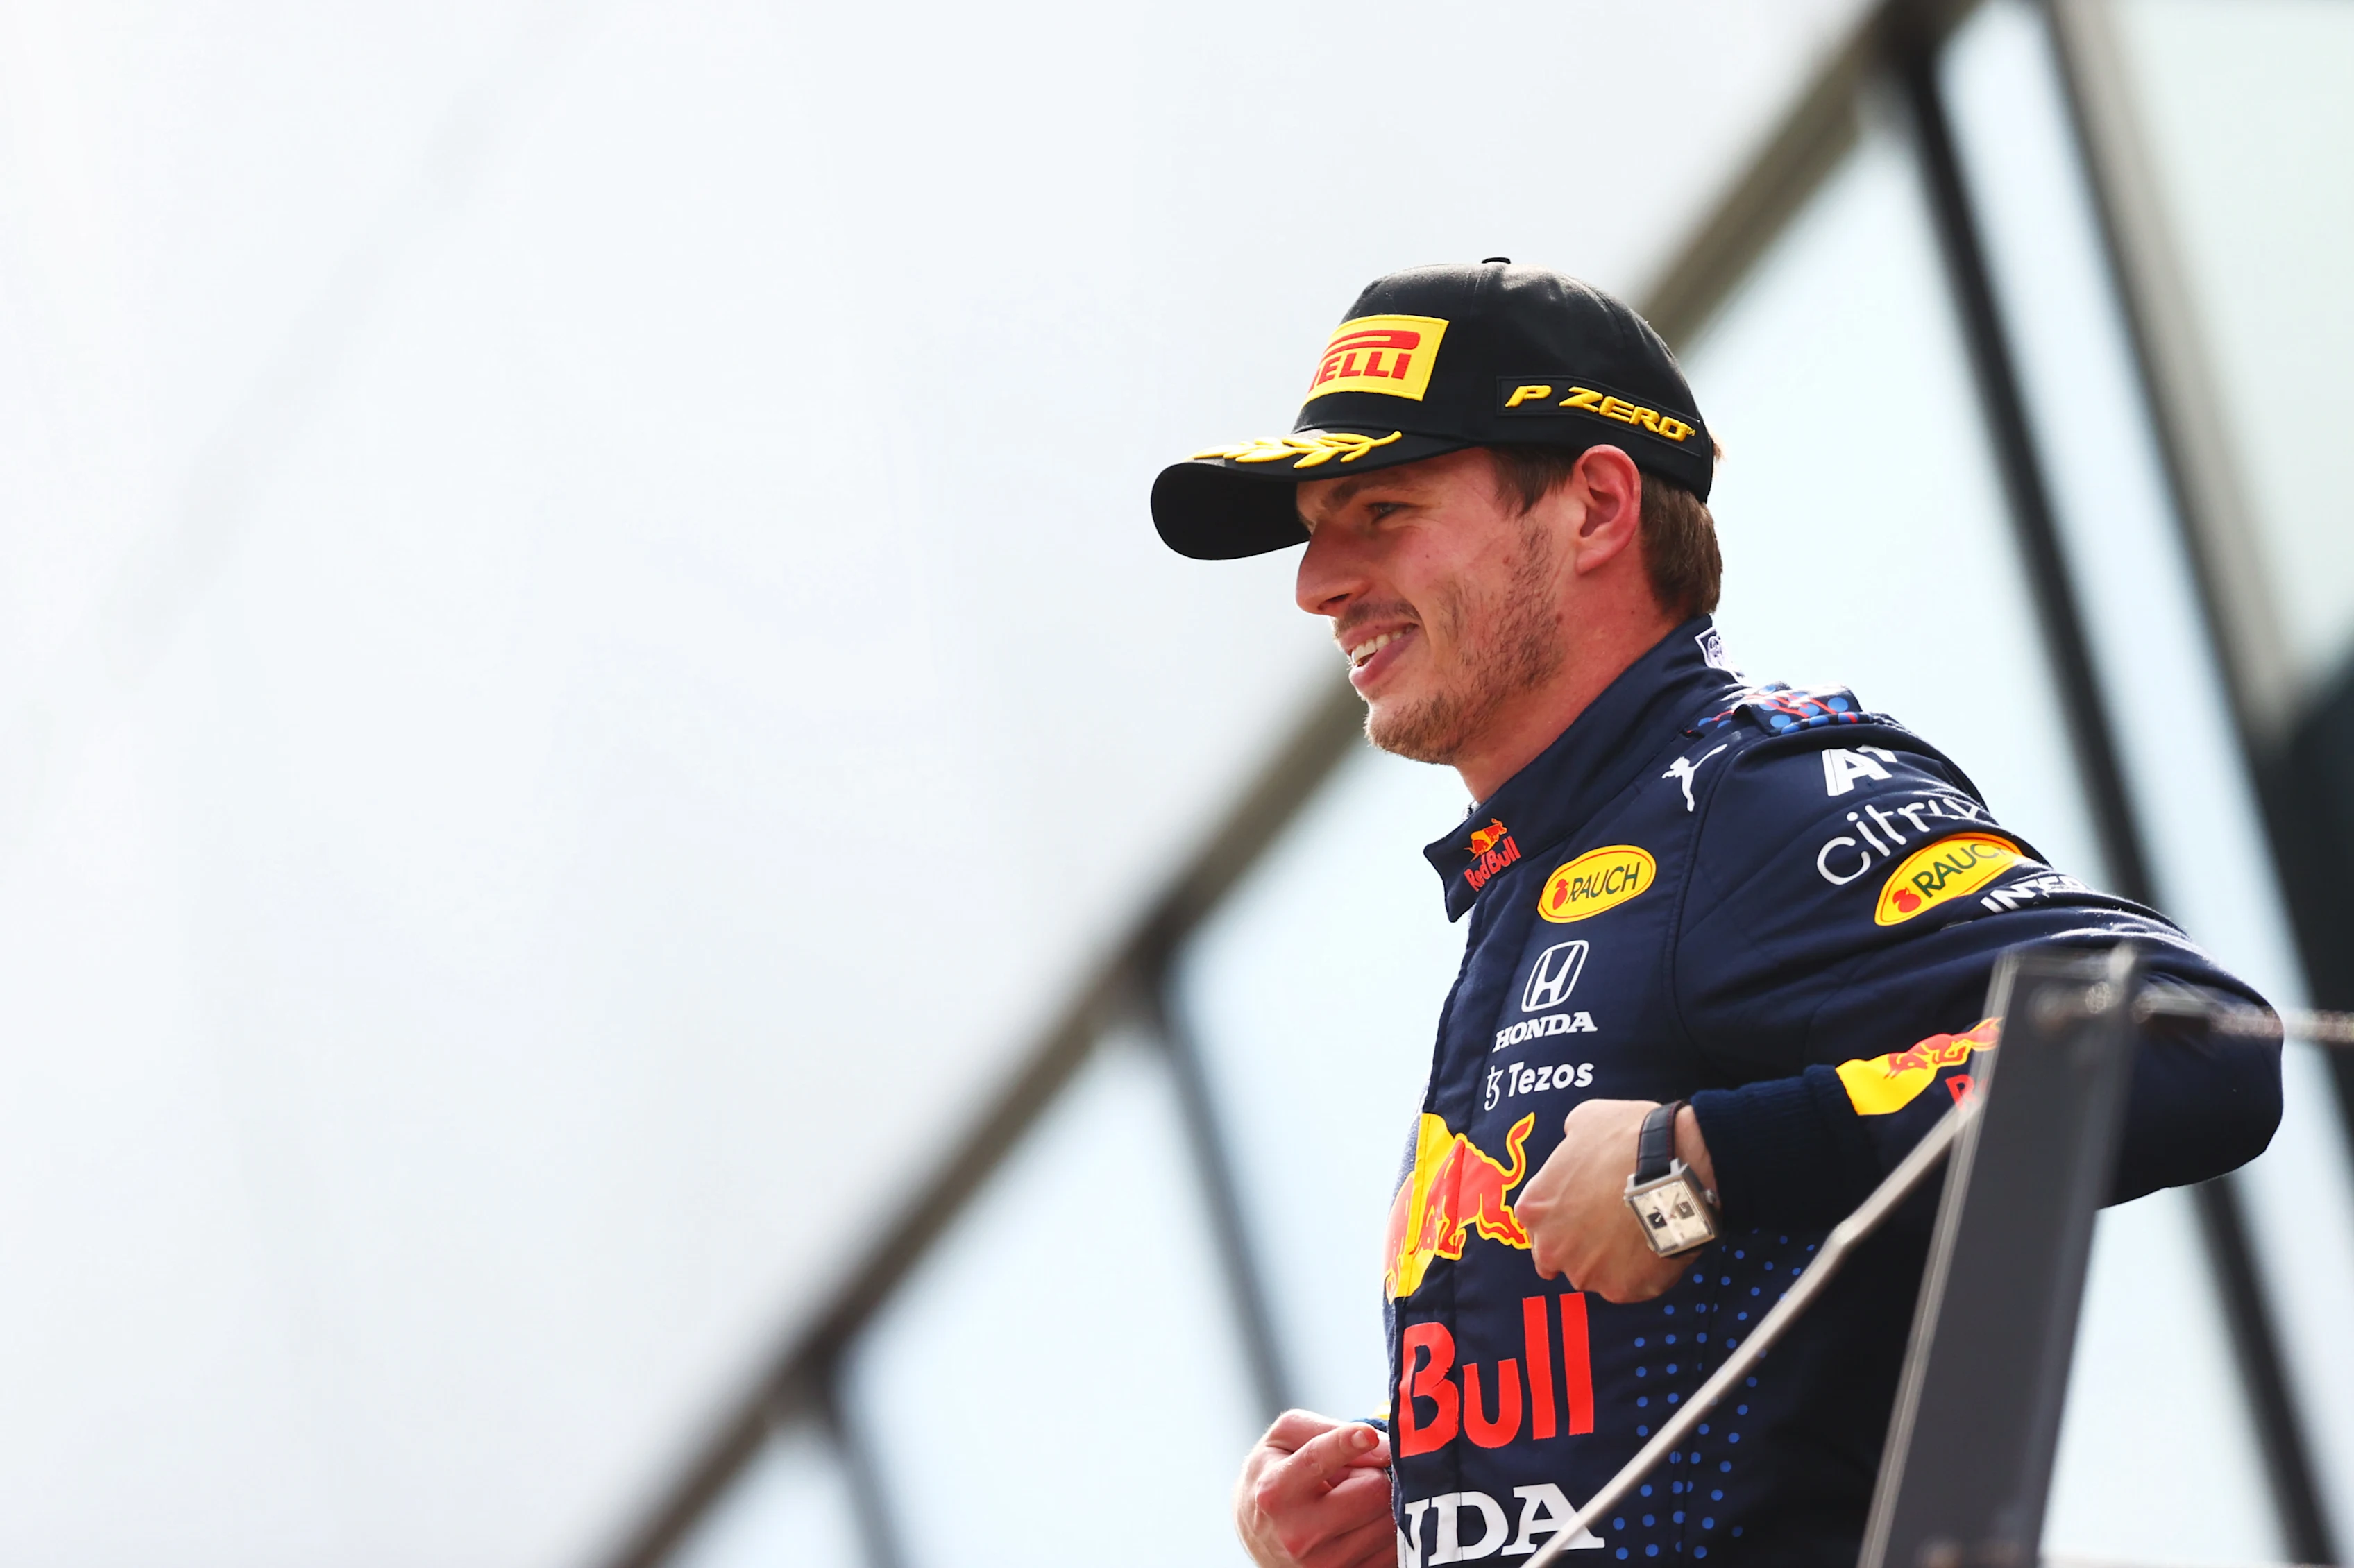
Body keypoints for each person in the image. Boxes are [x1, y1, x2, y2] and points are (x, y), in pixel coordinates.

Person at [1147, 261, 2281, 1567]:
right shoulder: (1539, 879)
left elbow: (2191, 1038)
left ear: (1596, 506)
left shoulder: (1750, 798)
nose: (1317, 584)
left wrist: (1695, 1165)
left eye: (1382, 511)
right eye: (1315, 530)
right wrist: (1403, 1502)